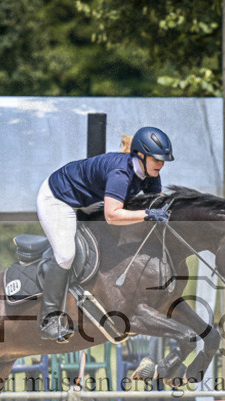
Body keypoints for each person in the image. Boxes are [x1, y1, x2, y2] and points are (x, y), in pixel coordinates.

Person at [35, 126, 174, 342]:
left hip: (89, 200)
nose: (161, 163)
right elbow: (112, 215)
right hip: (58, 197)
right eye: (156, 159)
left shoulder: (150, 173)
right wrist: (147, 214)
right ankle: (49, 320)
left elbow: (157, 203)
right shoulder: (121, 174)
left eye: (163, 159)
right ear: (140, 155)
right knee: (65, 254)